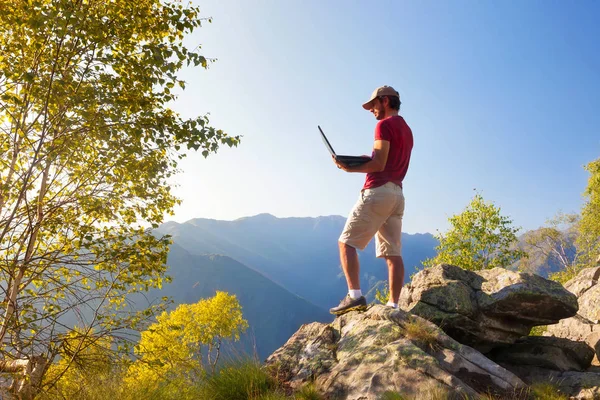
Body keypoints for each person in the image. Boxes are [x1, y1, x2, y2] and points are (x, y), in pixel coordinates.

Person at [329, 85, 414, 316]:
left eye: (373, 105)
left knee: (346, 243)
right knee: (393, 253)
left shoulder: (383, 125)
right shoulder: (406, 129)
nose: (371, 110)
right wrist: (358, 160)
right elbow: (385, 158)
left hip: (378, 192)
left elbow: (378, 164)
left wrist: (348, 168)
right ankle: (394, 306)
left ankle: (354, 296)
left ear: (385, 101)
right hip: (397, 194)